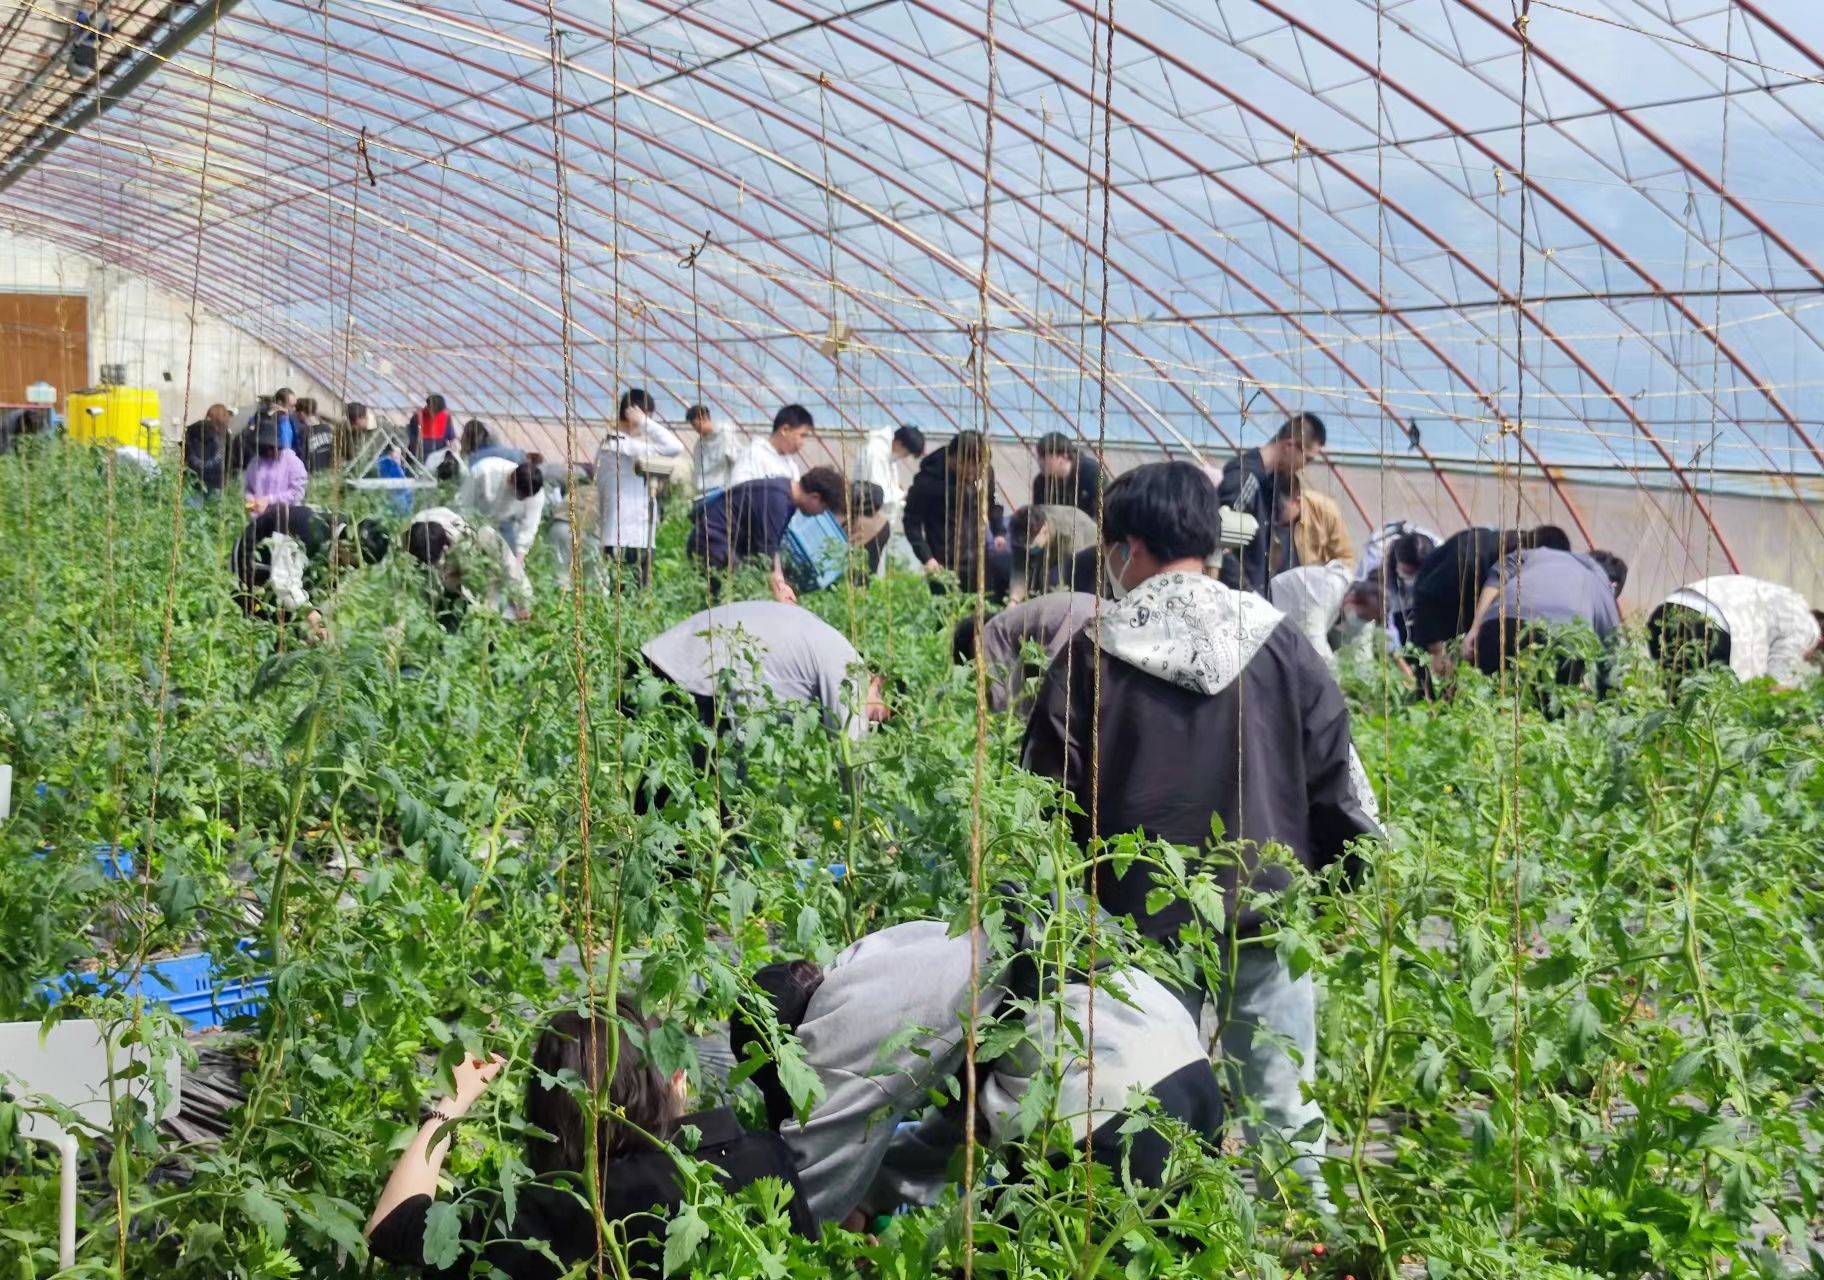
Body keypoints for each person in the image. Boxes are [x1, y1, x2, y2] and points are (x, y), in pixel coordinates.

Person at [1021, 461, 1381, 1209]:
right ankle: (1312, 1232)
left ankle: (1169, 1231)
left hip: (1137, 916)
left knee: (1154, 1088)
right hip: (1265, 905)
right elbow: (1337, 776)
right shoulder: (1280, 644)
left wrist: (1053, 904)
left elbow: (1045, 796)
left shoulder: (1093, 652)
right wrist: (1342, 882)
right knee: (1283, 1096)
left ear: (1128, 547)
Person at [730, 917, 1222, 1227]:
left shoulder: (837, 1024)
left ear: (791, 1043)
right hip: (1187, 1069)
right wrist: (872, 1198)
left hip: (1103, 1104)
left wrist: (799, 1234)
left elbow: (811, 1183)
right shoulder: (902, 963)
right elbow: (950, 1135)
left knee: (1009, 1255)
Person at [366, 1000, 814, 1280]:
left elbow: (390, 1228)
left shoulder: (552, 1210)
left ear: (551, 1108)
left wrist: (453, 1102)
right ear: (676, 1080)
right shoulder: (765, 1158)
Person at [640, 599, 890, 745]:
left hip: (662, 658)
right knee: (710, 801)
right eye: (878, 716)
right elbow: (851, 752)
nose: (871, 723)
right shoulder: (850, 670)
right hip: (694, 679)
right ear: (877, 682)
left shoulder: (834, 643)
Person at [1406, 525, 1569, 673]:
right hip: (1437, 615)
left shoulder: (1517, 556)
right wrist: (1436, 650)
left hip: (1468, 614)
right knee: (1432, 676)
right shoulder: (1468, 559)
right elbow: (1427, 595)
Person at [1460, 543, 1624, 680]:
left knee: (1485, 688)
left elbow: (1498, 574)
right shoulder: (1600, 584)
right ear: (1614, 585)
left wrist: (1476, 628)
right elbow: (1612, 660)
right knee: (1544, 703)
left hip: (1501, 622)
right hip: (1559, 639)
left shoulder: (1540, 554)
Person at [686, 466, 847, 604]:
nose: (820, 514)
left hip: (719, 544)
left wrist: (781, 582)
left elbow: (773, 547)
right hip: (712, 544)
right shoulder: (778, 501)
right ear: (815, 498)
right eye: (823, 509)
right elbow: (766, 552)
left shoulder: (785, 493)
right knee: (737, 599)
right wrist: (779, 591)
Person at [230, 504, 388, 637]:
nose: (349, 566)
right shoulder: (307, 530)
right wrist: (312, 617)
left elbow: (326, 592)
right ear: (349, 544)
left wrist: (320, 617)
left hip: (290, 570)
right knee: (260, 627)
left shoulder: (339, 543)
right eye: (354, 561)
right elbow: (284, 582)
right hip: (252, 563)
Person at [1215, 413, 1326, 592]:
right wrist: (1248, 592)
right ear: (1289, 445)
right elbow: (1219, 540)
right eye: (1307, 458)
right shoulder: (1247, 477)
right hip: (1238, 597)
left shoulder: (1269, 483)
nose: (1304, 466)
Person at [1648, 575, 1822, 688]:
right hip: (1708, 625)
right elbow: (1775, 680)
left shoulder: (1786, 604)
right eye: (1814, 656)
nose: (1807, 659)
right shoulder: (1808, 626)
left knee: (1672, 705)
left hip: (1666, 611)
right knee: (1702, 707)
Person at [593, 389, 684, 588]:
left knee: (626, 592)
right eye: (646, 417)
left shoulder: (616, 445)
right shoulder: (619, 445)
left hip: (627, 536)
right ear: (633, 414)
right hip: (627, 537)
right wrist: (644, 422)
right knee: (631, 592)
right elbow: (675, 447)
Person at [952, 592, 1098, 714]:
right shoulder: (1014, 620)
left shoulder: (989, 633)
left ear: (972, 646)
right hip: (1099, 609)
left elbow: (1004, 702)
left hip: (1077, 622)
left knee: (1057, 700)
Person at [903, 430, 1008, 598]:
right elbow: (911, 522)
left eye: (978, 468)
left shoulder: (985, 472)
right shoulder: (928, 481)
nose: (973, 474)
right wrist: (927, 557)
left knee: (982, 607)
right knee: (946, 610)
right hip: (943, 564)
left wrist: (999, 531)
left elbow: (993, 500)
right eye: (968, 468)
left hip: (978, 560)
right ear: (954, 459)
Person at [404, 506, 533, 630]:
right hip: (448, 591)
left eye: (438, 560)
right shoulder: (413, 538)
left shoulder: (478, 538)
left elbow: (510, 566)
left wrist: (523, 602)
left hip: (476, 581)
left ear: (445, 547)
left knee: (496, 610)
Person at [855, 423, 925, 573]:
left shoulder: (888, 455)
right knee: (866, 566)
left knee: (874, 567)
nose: (904, 457)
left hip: (881, 522)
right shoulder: (875, 454)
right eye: (906, 453)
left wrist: (898, 490)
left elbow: (887, 487)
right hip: (871, 521)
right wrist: (902, 494)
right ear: (899, 443)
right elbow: (876, 494)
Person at [457, 454, 546, 562]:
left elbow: (528, 527)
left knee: (507, 560)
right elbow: (463, 505)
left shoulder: (536, 495)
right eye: (519, 496)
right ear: (511, 480)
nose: (521, 499)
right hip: (475, 516)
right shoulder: (485, 471)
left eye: (525, 498)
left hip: (504, 524)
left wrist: (518, 558)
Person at [1267, 560, 1355, 668]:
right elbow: (1315, 643)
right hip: (1272, 603)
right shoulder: (1329, 588)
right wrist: (1337, 673)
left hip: (1290, 624)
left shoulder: (1350, 594)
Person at [1006, 503, 1098, 603]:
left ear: (1044, 529)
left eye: (1030, 543)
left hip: (1090, 554)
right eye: (1023, 544)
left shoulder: (1068, 530)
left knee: (1052, 579)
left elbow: (1074, 575)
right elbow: (1019, 570)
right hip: (1055, 552)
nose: (1026, 548)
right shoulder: (1021, 532)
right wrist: (1013, 600)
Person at [1375, 528, 1439, 645]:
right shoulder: (1377, 558)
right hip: (1394, 606)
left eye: (1418, 574)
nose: (1413, 579)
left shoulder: (1440, 556)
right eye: (1408, 572)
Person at [728, 404, 814, 486]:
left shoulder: (791, 465)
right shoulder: (753, 454)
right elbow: (738, 489)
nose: (803, 442)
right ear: (785, 430)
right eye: (802, 435)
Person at [241, 417, 308, 513]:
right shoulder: (254, 463)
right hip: (260, 515)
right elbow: (247, 488)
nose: (269, 452)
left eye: (272, 448)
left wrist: (270, 500)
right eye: (265, 448)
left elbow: (297, 493)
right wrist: (251, 499)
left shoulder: (293, 462)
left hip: (287, 514)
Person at [1031, 431, 1105, 515]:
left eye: (1044, 457)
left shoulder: (1092, 474)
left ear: (1064, 456)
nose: (1040, 462)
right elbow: (1039, 517)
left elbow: (1104, 513)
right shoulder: (1041, 482)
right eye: (1039, 457)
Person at [1285, 477, 1354, 568]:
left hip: (1316, 574)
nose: (1274, 515)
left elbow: (1345, 558)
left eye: (1279, 509)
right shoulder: (1267, 512)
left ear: (1297, 501)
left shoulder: (1325, 511)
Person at [686, 404, 743, 495]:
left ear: (704, 418)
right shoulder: (699, 446)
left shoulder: (724, 434)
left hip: (723, 492)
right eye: (693, 426)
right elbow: (698, 472)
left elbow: (737, 461)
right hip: (705, 493)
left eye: (695, 424)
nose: (695, 429)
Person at [181, 403, 231, 494]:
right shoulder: (224, 435)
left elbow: (184, 454)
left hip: (192, 481)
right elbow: (229, 460)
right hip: (216, 482)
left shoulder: (191, 431)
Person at [407, 393, 452, 460]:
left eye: (438, 412)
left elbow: (451, 435)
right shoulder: (417, 417)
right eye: (434, 410)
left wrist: (454, 442)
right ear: (428, 406)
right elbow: (411, 439)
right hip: (421, 455)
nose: (435, 414)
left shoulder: (446, 417)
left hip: (440, 455)